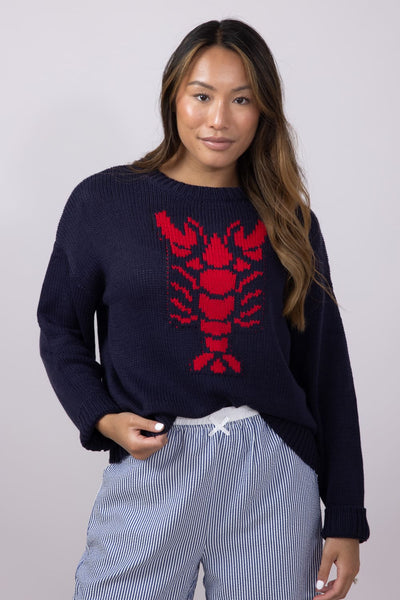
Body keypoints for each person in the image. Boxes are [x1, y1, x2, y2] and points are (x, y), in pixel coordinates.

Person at [37, 18, 369, 600]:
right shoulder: (104, 202)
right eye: (202, 95)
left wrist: (344, 515)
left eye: (241, 99)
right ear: (173, 98)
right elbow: (60, 326)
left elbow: (326, 370)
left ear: (264, 110)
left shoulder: (290, 221)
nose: (219, 119)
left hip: (272, 471)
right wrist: (102, 417)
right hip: (154, 460)